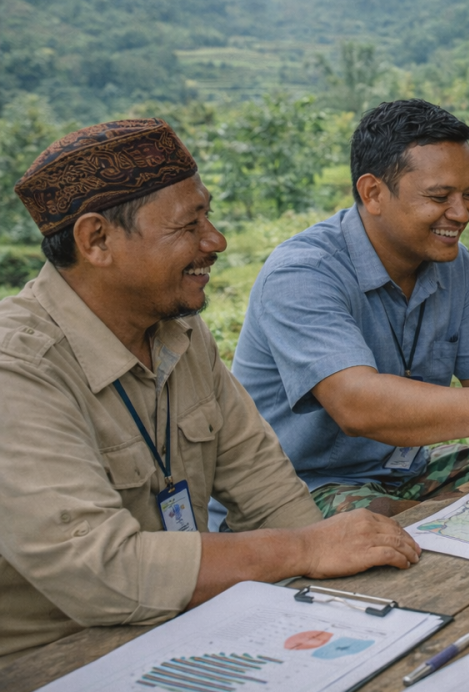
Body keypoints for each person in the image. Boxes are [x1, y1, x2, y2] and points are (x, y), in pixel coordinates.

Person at [0, 119, 421, 661]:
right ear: (96, 240)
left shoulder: (180, 332)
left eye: (209, 215)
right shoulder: (18, 368)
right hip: (58, 657)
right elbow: (100, 573)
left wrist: (332, 564)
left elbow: (268, 490)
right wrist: (304, 548)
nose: (215, 241)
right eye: (187, 226)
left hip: (190, 626)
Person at [225, 100, 469, 522]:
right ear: (373, 193)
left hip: (402, 471)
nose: (461, 213)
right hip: (297, 487)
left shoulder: (454, 264)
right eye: (439, 197)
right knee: (388, 523)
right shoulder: (303, 273)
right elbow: (357, 405)